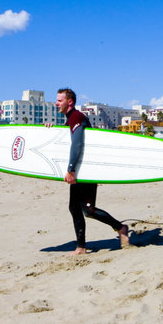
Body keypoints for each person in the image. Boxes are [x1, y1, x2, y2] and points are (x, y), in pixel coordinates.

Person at [50, 88, 129, 255]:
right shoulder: (69, 119)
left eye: (59, 100)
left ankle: (120, 227)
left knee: (88, 209)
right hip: (81, 171)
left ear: (69, 101)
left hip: (85, 170)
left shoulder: (76, 116)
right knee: (75, 207)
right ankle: (81, 247)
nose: (56, 103)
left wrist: (70, 170)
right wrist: (50, 130)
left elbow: (77, 144)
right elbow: (65, 141)